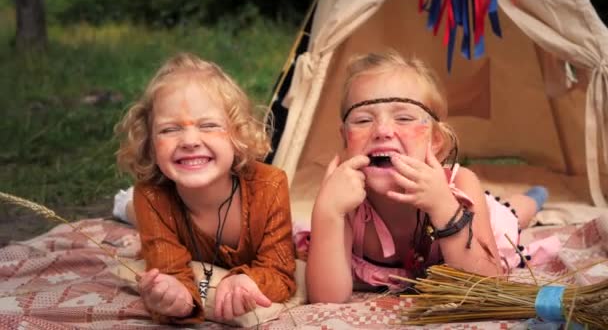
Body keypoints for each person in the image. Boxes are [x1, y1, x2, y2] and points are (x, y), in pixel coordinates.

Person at [304, 51, 555, 303]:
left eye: (403, 118)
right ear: (345, 138)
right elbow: (327, 298)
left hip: (474, 216)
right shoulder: (344, 202)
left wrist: (443, 207)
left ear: (435, 140)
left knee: (511, 214)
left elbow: (488, 284)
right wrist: (328, 212)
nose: (382, 130)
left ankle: (536, 196)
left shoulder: (461, 184)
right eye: (363, 119)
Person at [114, 52, 296, 324]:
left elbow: (280, 272)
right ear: (149, 142)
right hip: (154, 205)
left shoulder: (270, 185)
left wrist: (249, 281)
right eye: (169, 129)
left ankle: (123, 207)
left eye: (208, 125)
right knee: (136, 212)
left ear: (237, 135)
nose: (189, 140)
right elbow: (170, 274)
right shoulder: (151, 196)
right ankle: (124, 204)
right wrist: (176, 299)